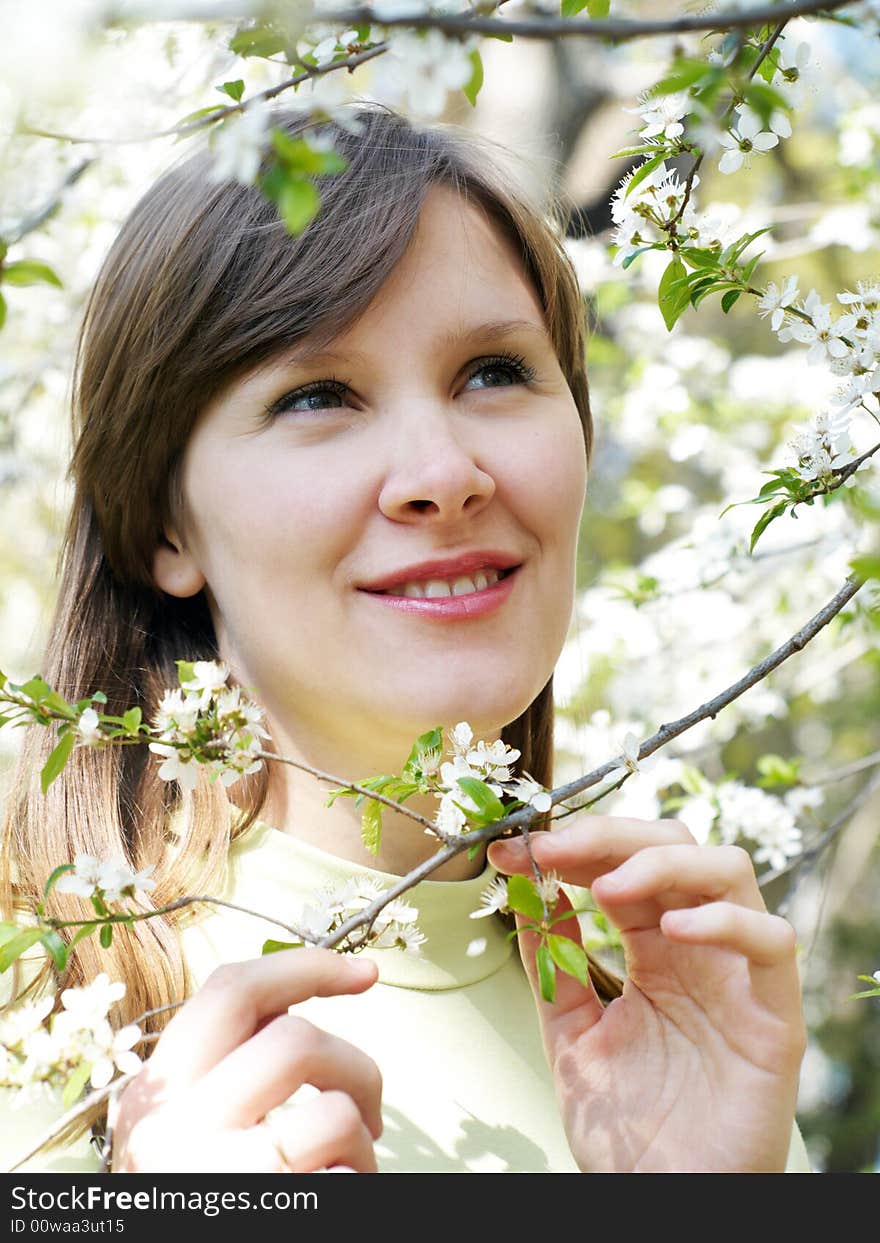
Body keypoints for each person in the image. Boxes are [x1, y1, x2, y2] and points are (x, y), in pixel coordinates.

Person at [0, 101, 810, 1174]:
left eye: (493, 373)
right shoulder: (50, 1026)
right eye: (319, 395)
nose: (443, 475)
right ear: (163, 523)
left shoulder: (671, 1032)